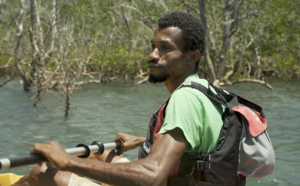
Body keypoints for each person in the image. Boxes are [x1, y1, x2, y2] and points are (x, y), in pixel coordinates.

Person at [14, 11, 235, 186]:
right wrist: (144, 141)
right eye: (153, 46)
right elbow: (197, 147)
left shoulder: (185, 99)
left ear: (192, 57)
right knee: (95, 154)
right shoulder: (207, 92)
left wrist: (67, 161)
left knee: (42, 173)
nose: (153, 55)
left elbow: (152, 176)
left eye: (165, 48)